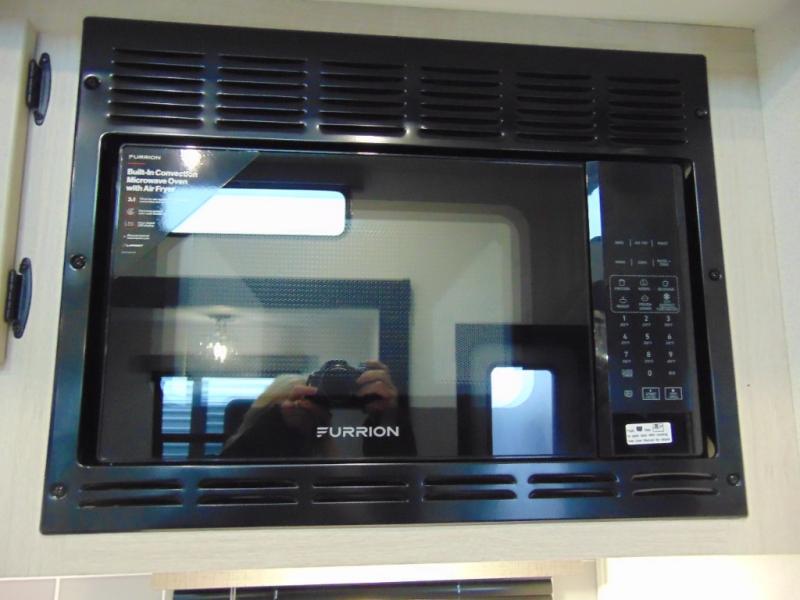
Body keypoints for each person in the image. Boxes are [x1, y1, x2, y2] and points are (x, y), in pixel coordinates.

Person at [221, 361, 416, 458]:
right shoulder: (244, 453)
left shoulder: (330, 472)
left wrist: (389, 421)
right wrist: (277, 426)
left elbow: (393, 490)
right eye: (277, 412)